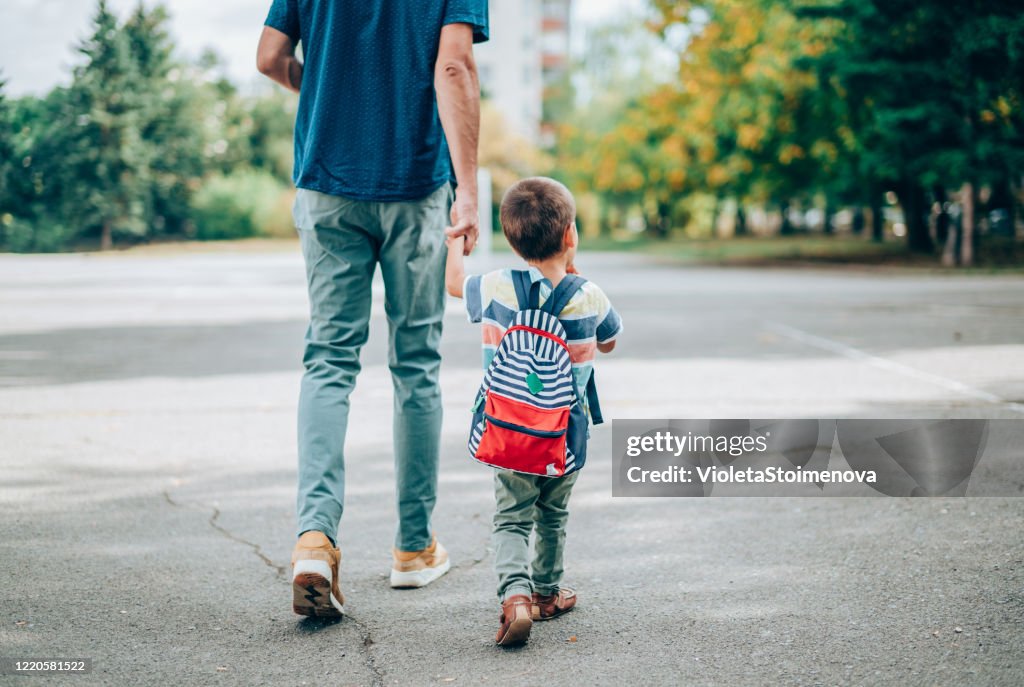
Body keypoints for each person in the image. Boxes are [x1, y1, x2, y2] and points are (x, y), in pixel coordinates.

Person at [256, 0, 489, 618]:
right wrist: (468, 191)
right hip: (414, 184)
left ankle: (315, 537)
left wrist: (327, 90)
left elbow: (270, 57)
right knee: (415, 363)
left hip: (327, 179)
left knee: (329, 360)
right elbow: (455, 68)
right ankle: (413, 549)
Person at [444, 177, 624, 645]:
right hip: (564, 435)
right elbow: (608, 341)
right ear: (570, 235)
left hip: (508, 433)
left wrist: (456, 240)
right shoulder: (590, 295)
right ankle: (546, 594)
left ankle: (515, 597)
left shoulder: (497, 287)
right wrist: (574, 273)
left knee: (511, 517)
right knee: (552, 514)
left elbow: (453, 285)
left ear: (511, 239)